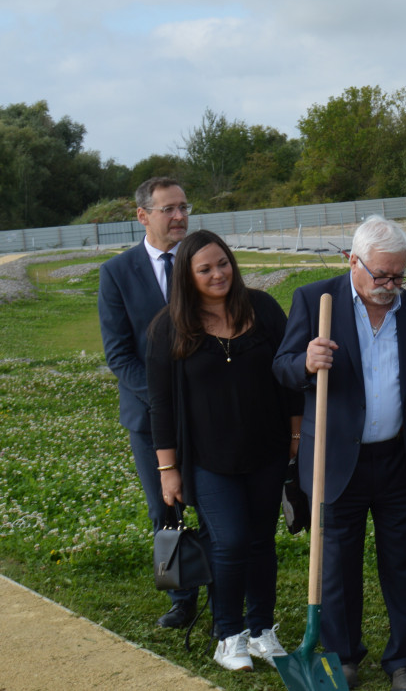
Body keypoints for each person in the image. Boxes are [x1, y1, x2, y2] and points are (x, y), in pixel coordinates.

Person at [273, 216, 406, 691]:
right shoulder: (315, 301)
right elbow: (282, 368)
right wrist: (306, 362)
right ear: (353, 262)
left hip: (398, 460)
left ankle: (405, 661)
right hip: (335, 460)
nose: (390, 286)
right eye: (381, 276)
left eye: (399, 275)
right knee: (336, 568)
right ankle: (344, 656)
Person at [146, 230, 302, 672]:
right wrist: (168, 469)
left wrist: (294, 440)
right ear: (186, 276)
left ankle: (262, 630)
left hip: (267, 452)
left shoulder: (263, 309)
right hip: (208, 461)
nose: (218, 274)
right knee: (231, 541)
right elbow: (160, 404)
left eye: (223, 264)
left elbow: (291, 381)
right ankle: (228, 634)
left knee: (260, 544)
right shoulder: (168, 327)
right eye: (205, 269)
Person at [97, 176, 203, 630]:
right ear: (143, 215)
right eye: (169, 209)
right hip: (149, 419)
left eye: (183, 207)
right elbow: (119, 354)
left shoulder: (205, 261)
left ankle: (225, 592)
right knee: (164, 509)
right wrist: (164, 400)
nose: (179, 216)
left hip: (211, 411)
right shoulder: (117, 273)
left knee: (216, 502)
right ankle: (181, 599)